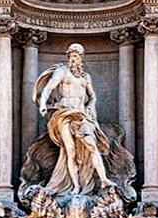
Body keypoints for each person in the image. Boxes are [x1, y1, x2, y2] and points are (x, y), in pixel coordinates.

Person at [35, 43, 112, 195]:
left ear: (82, 58)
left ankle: (104, 179)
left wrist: (91, 106)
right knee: (69, 150)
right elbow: (49, 88)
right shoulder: (61, 71)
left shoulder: (85, 76)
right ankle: (75, 186)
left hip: (82, 115)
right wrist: (43, 103)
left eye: (77, 56)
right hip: (64, 113)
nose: (74, 59)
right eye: (71, 55)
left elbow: (92, 96)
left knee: (92, 146)